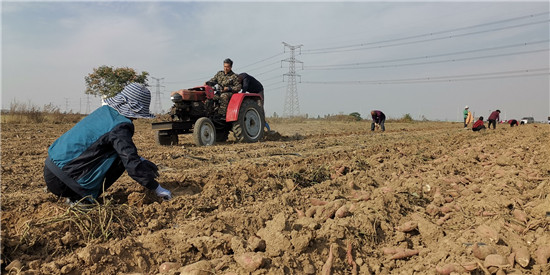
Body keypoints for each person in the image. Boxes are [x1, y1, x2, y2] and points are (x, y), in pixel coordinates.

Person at [44, 83, 172, 204]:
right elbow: (130, 162)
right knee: (120, 160)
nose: (137, 118)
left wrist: (141, 160)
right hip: (64, 182)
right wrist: (156, 187)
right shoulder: (120, 126)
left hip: (51, 169)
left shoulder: (104, 112)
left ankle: (76, 194)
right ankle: (82, 198)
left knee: (116, 153)